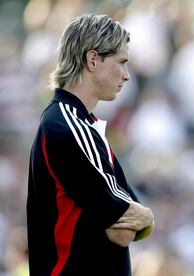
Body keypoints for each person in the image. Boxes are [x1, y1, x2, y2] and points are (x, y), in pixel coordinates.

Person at [27, 14, 154, 276]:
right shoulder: (67, 126)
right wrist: (149, 218)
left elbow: (125, 208)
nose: (127, 75)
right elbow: (123, 231)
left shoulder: (79, 123)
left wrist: (136, 216)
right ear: (93, 59)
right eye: (121, 62)